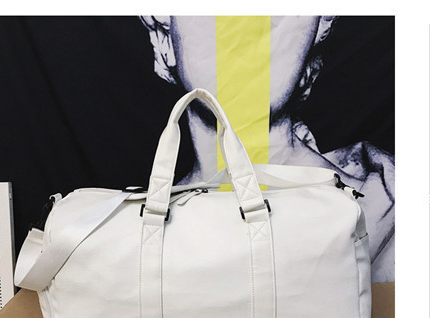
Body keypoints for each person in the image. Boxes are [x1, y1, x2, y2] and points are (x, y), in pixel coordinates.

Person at [140, 15, 394, 282]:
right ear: (164, 37)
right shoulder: (129, 232)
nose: (247, 26)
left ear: (315, 33)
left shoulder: (389, 213)